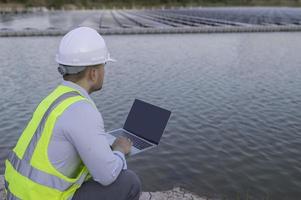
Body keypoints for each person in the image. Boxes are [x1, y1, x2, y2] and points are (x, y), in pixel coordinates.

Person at [4, 27, 141, 200]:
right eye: (103, 65)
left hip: (18, 194)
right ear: (93, 73)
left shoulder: (54, 98)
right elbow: (108, 175)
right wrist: (120, 150)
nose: (104, 72)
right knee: (129, 181)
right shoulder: (82, 111)